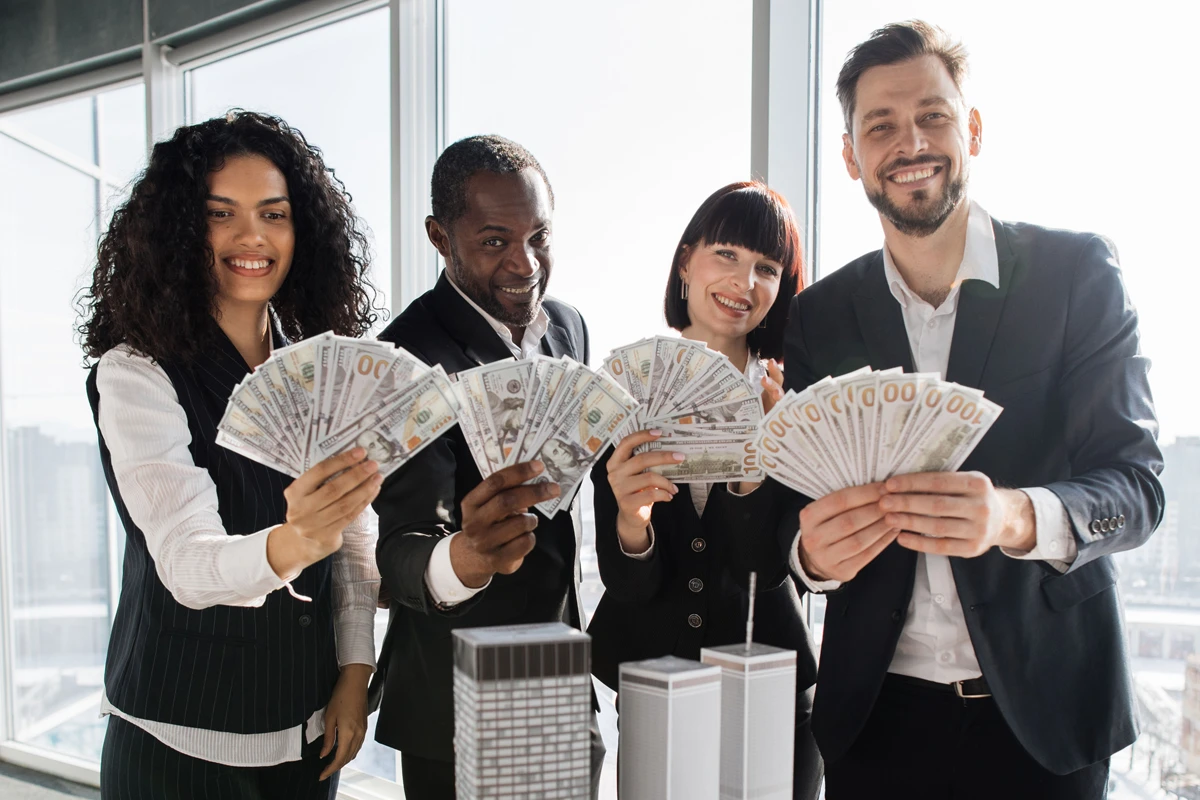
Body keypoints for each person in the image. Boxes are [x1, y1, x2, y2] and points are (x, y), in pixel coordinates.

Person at [786, 22, 1164, 798]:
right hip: (874, 722)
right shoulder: (820, 316)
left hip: (1045, 719)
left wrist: (1015, 518)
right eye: (881, 125)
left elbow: (1137, 488)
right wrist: (812, 558)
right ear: (853, 156)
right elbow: (798, 512)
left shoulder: (1076, 275)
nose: (910, 142)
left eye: (933, 115)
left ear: (974, 130)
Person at [77, 111, 383, 799]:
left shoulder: (320, 364)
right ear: (183, 231)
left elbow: (356, 532)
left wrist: (354, 674)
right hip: (174, 741)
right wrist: (296, 539)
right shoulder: (136, 373)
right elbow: (185, 562)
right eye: (223, 214)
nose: (253, 237)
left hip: (306, 735)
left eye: (274, 214)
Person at [369, 135, 603, 799]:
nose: (524, 263)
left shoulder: (570, 327)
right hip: (454, 703)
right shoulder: (403, 359)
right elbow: (398, 552)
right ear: (439, 237)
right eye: (495, 240)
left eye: (539, 237)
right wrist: (465, 556)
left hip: (558, 680)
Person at [588, 181, 822, 799]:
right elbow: (628, 583)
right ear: (687, 260)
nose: (744, 283)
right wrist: (631, 524)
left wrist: (757, 472)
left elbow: (769, 568)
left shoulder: (792, 398)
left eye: (766, 268)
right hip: (652, 676)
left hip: (769, 681)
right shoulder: (625, 389)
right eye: (727, 255)